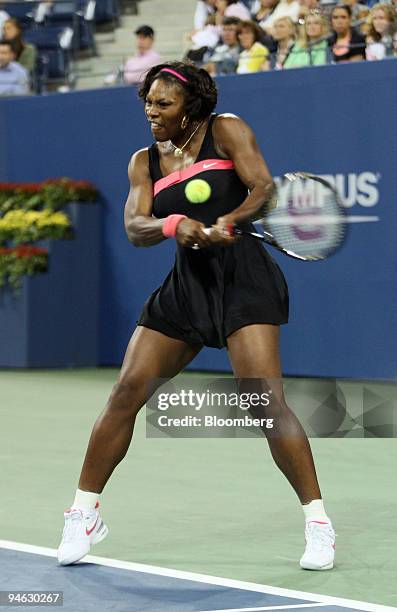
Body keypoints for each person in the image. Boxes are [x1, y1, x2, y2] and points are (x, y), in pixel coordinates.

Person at [57, 60, 336, 572]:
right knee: (125, 393)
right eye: (148, 102)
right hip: (187, 286)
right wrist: (176, 226)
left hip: (243, 279)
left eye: (163, 104)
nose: (151, 111)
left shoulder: (227, 129)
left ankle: (318, 523)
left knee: (263, 401)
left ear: (191, 107)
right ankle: (83, 512)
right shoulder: (144, 161)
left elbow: (264, 187)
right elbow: (137, 226)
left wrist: (230, 219)